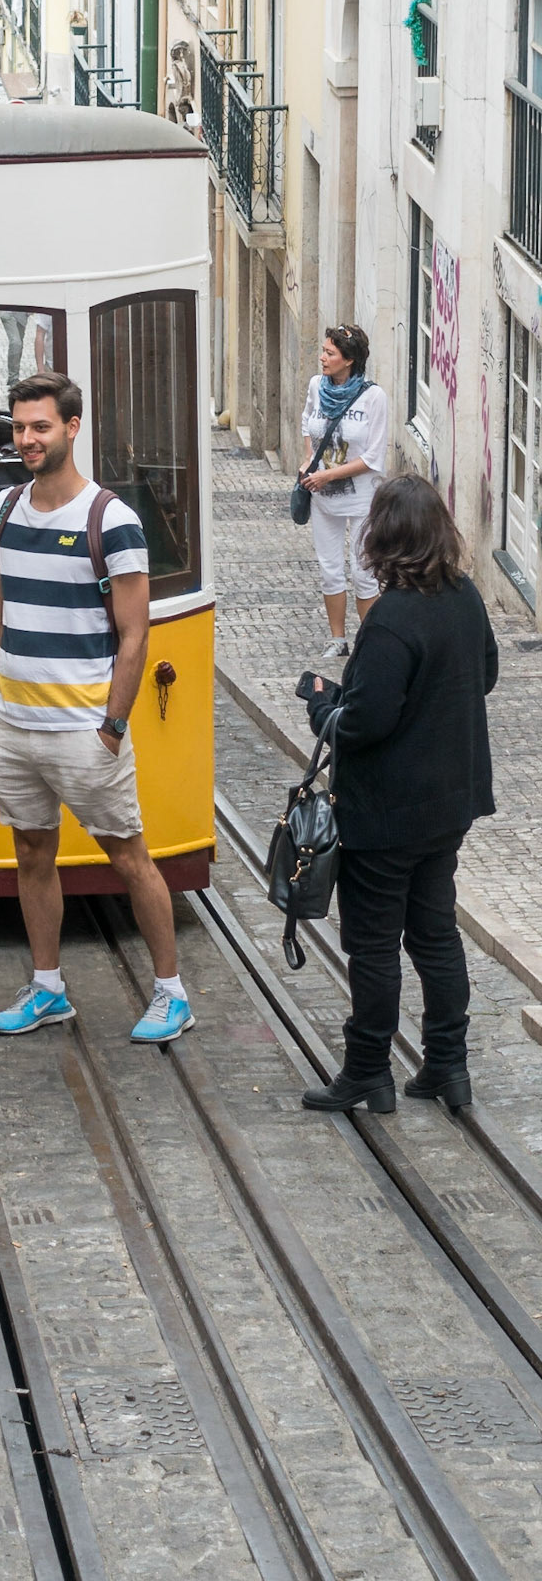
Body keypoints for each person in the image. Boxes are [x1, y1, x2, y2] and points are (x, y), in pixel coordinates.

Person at [0, 372, 191, 1045]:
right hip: (13, 725)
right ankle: (47, 988)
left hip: (84, 731)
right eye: (19, 427)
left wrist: (112, 727)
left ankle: (172, 994)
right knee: (31, 851)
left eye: (40, 426)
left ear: (72, 427)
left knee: (129, 857)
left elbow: (134, 635)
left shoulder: (111, 520)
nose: (27, 439)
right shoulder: (3, 510)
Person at [300, 476, 498, 1115]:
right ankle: (447, 1066)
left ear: (382, 536)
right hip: (450, 804)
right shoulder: (465, 596)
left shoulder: (390, 618)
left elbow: (365, 723)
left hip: (386, 814)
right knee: (435, 935)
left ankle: (367, 1073)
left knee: (374, 945)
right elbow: (485, 674)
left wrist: (323, 707)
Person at [298, 323, 389, 660]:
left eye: (330, 353)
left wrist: (329, 475)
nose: (322, 358)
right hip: (323, 497)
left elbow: (373, 456)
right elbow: (307, 422)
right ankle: (337, 639)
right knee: (330, 568)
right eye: (323, 351)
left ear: (349, 360)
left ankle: (370, 642)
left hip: (362, 497)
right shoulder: (316, 386)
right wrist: (308, 460)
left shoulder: (373, 397)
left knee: (363, 570)